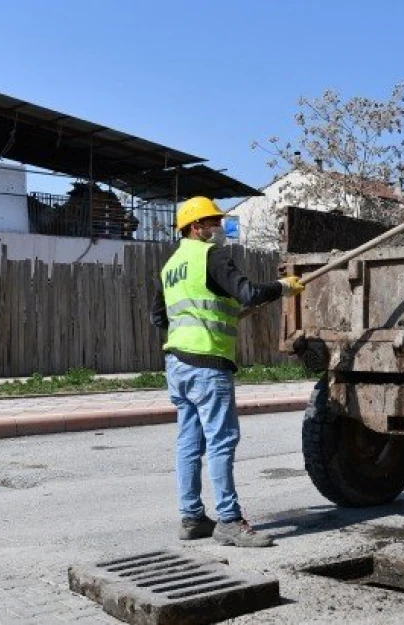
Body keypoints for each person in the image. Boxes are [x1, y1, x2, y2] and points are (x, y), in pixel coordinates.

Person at [150, 196, 303, 547]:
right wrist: (284, 287)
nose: (218, 228)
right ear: (195, 227)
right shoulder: (211, 256)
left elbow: (158, 317)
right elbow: (248, 293)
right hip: (207, 364)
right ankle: (229, 521)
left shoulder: (171, 265)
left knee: (189, 442)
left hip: (177, 364)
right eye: (212, 222)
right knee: (221, 441)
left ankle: (191, 518)